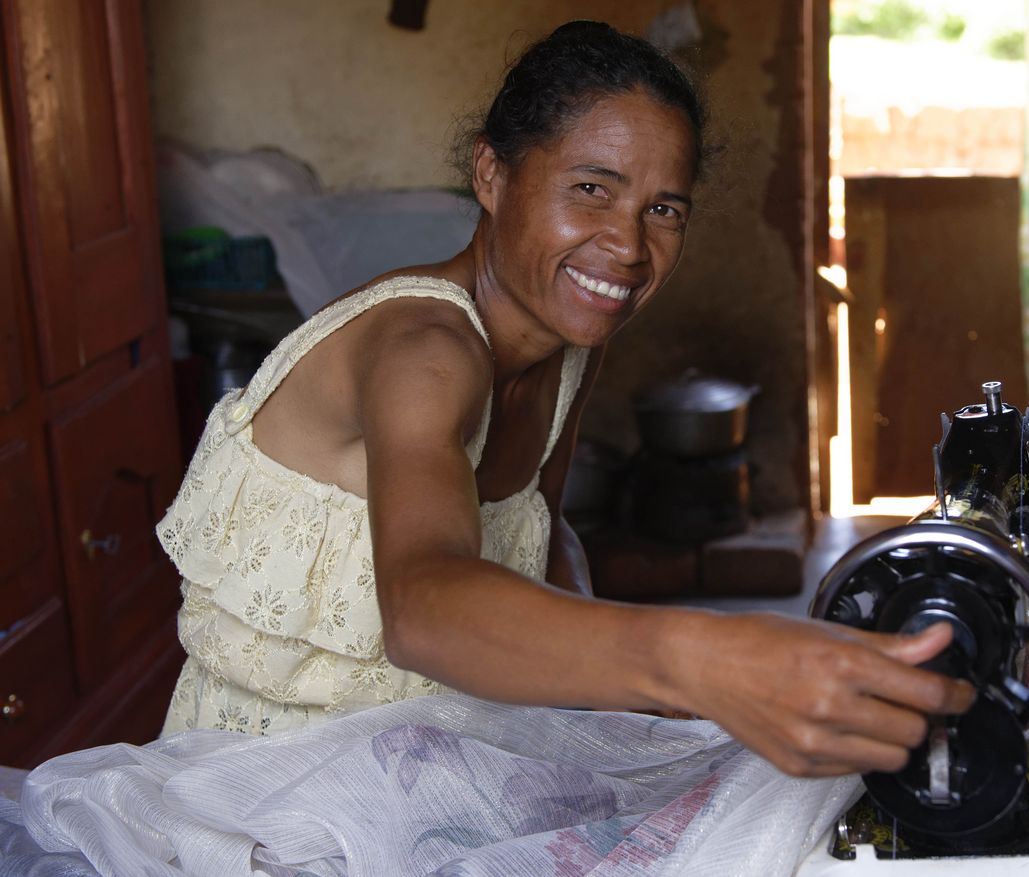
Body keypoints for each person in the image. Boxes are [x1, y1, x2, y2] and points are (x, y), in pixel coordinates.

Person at [156, 20, 972, 778]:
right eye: (591, 188)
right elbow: (423, 608)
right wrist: (697, 656)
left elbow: (543, 534)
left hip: (432, 761)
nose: (626, 246)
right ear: (491, 174)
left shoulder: (567, 340)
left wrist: (620, 699)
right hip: (273, 790)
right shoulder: (425, 353)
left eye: (662, 209)